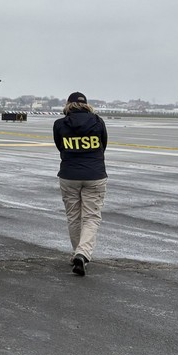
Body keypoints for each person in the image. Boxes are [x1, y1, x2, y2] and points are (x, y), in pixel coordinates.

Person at [53, 91, 109, 276]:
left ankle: (78, 252)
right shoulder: (98, 121)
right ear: (87, 104)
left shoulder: (60, 124)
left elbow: (60, 146)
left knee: (74, 216)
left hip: (69, 174)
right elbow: (103, 145)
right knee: (91, 217)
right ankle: (82, 253)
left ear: (68, 104)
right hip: (94, 174)